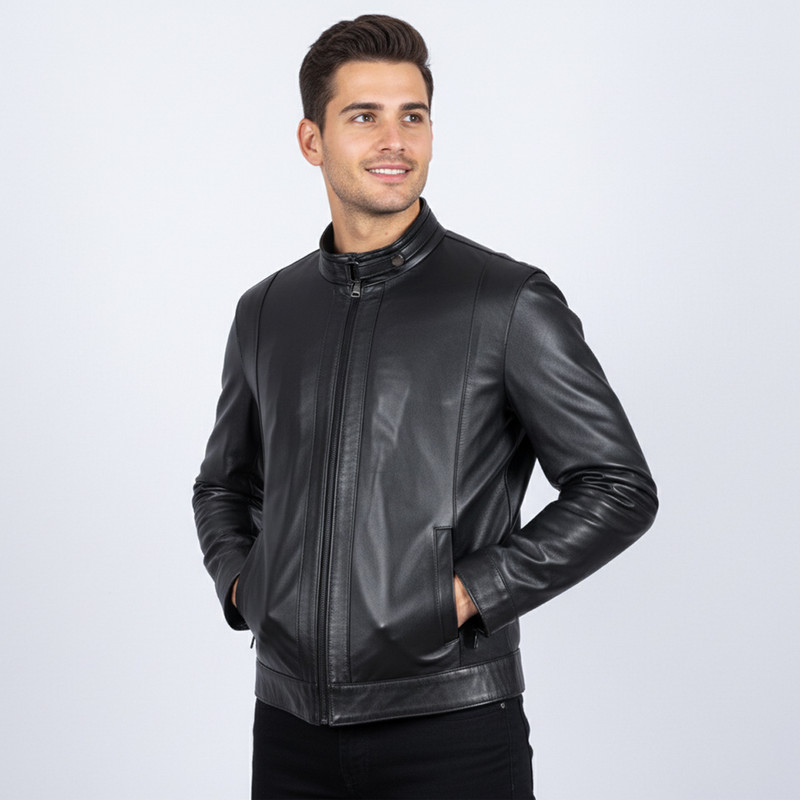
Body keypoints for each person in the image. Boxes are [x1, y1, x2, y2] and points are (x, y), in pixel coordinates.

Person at [193, 14, 658, 799]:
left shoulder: (505, 301)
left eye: (413, 116)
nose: (395, 140)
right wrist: (247, 586)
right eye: (363, 116)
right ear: (311, 140)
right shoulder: (267, 310)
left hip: (453, 727)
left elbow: (617, 486)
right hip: (289, 727)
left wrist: (470, 594)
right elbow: (224, 486)